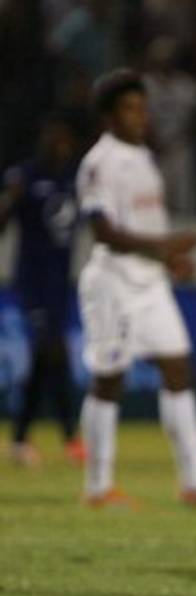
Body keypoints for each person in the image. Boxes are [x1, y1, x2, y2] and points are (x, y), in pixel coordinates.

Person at [75, 68, 196, 507]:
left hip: (150, 283)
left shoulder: (144, 157)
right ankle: (97, 487)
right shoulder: (100, 163)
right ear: (109, 116)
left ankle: (195, 483)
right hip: (113, 282)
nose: (140, 116)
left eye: (142, 108)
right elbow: (103, 232)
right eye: (130, 109)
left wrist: (168, 259)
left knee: (178, 367)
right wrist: (164, 247)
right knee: (109, 379)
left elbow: (143, 225)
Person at [1, 116, 85, 467]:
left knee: (44, 359)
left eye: (65, 139)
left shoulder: (74, 180)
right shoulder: (25, 176)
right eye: (53, 138)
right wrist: (9, 200)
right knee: (53, 350)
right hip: (33, 282)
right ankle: (70, 437)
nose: (59, 146)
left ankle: (20, 439)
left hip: (60, 283)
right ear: (43, 141)